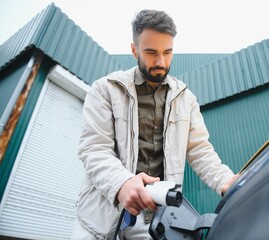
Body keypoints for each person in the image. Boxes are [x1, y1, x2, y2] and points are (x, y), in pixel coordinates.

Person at [72, 9, 239, 240]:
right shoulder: (104, 90)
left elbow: (200, 150)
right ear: (134, 50)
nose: (161, 62)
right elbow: (94, 148)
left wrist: (225, 180)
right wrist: (122, 183)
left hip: (154, 220)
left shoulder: (186, 98)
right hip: (100, 217)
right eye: (151, 52)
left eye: (167, 52)